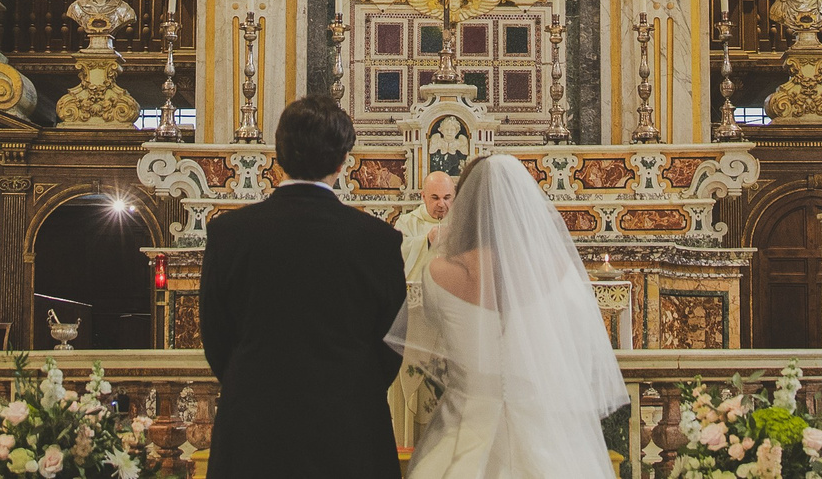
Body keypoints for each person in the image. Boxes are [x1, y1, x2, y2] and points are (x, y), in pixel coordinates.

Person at [205, 94, 407, 479]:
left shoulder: (229, 234)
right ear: (343, 160)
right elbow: (393, 342)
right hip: (352, 431)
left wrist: (255, 380)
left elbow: (216, 337)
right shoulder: (377, 240)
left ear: (278, 154)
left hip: (253, 430)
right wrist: (354, 383)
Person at [388, 155, 626, 479]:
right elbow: (579, 343)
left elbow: (433, 329)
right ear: (522, 207)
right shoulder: (560, 273)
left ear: (465, 205)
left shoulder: (438, 273)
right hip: (546, 432)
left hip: (465, 431)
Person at [391, 171, 458, 457]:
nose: (441, 205)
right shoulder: (408, 223)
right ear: (422, 197)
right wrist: (427, 240)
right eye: (435, 198)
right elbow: (395, 258)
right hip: (416, 323)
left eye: (447, 198)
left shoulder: (462, 224)